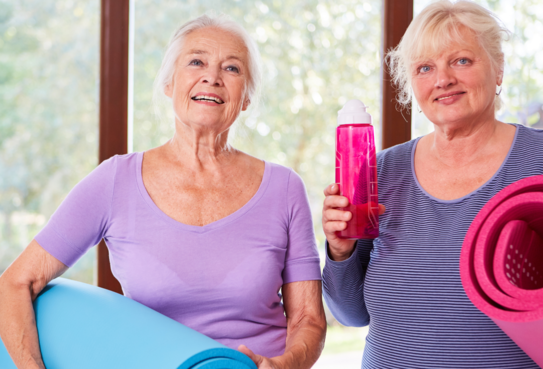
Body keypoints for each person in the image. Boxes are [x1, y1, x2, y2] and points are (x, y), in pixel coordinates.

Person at [0, 14, 326, 369]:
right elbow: (15, 283)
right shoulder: (114, 182)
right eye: (196, 61)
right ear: (169, 83)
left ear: (246, 97)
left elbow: (307, 319)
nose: (212, 77)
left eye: (232, 69)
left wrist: (285, 365)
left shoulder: (284, 188)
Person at [322, 1, 543, 368]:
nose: (442, 79)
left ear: (498, 68)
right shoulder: (379, 171)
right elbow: (351, 314)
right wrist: (341, 251)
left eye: (461, 60)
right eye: (425, 68)